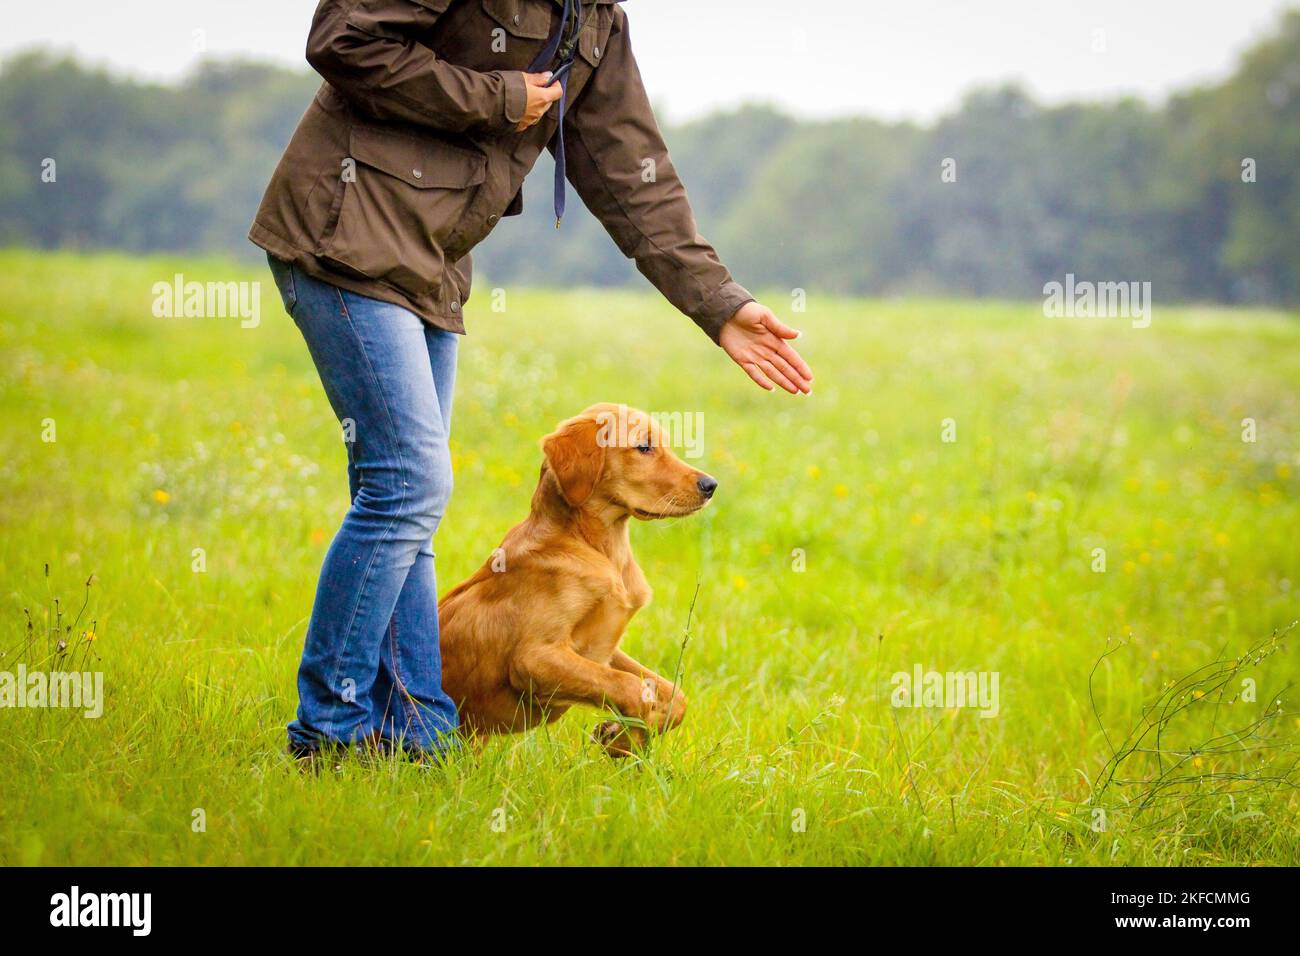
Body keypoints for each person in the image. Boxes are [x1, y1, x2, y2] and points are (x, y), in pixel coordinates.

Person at [250, 0, 814, 760]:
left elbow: (627, 168)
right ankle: (329, 734)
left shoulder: (596, 18)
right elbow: (344, 38)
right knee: (408, 488)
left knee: (406, 505)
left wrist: (720, 304)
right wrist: (501, 99)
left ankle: (419, 736)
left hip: (431, 265)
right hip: (346, 231)